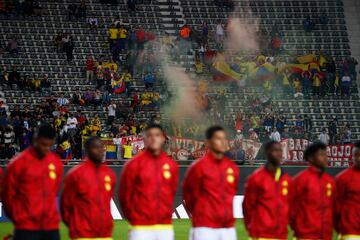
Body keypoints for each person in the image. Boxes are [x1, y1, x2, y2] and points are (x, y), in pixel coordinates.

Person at [1, 124, 63, 240]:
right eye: (43, 144)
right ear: (35, 139)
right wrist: (19, 218)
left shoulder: (56, 163)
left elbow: (54, 190)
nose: (46, 149)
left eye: (50, 145)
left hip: (51, 227)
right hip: (26, 227)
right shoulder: (18, 164)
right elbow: (7, 195)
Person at [119, 124, 179, 240]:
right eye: (149, 135)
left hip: (165, 226)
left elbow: (172, 191)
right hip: (140, 226)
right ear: (144, 139)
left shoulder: (171, 165)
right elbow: (124, 196)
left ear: (162, 138)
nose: (153, 138)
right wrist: (134, 217)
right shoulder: (132, 165)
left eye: (157, 135)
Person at [182, 126, 239, 240]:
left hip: (228, 227)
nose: (223, 142)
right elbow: (189, 197)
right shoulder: (197, 167)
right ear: (208, 143)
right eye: (218, 138)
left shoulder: (232, 168)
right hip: (204, 227)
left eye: (224, 138)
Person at [61, 137, 116, 239]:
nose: (100, 150)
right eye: (96, 147)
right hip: (83, 234)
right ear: (87, 150)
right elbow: (65, 206)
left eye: (102, 147)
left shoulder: (109, 174)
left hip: (105, 234)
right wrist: (76, 227)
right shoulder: (76, 174)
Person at [243, 141, 291, 239]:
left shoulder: (286, 179)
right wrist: (252, 229)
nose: (279, 154)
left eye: (280, 151)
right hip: (261, 234)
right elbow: (247, 207)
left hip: (281, 235)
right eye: (275, 150)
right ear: (268, 152)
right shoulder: (256, 178)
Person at [290, 142, 335, 240]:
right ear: (311, 158)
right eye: (321, 155)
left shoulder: (330, 181)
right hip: (306, 235)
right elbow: (290, 209)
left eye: (326, 154)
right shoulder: (300, 180)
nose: (325, 158)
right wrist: (300, 229)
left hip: (326, 236)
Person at [335, 141, 360, 239]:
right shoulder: (342, 178)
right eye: (355, 155)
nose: (358, 159)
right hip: (350, 232)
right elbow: (336, 207)